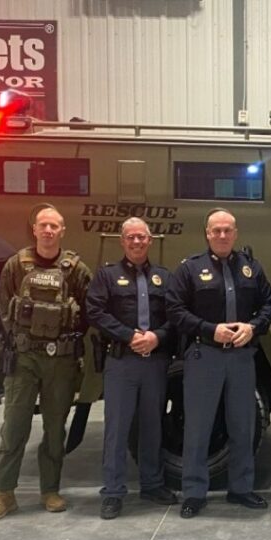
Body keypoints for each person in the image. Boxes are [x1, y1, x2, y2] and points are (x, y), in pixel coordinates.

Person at [0, 204, 92, 521]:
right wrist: (23, 341)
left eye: (54, 226)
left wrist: (65, 341)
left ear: (62, 230)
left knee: (55, 428)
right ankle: (4, 494)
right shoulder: (16, 266)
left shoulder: (75, 269)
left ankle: (51, 490)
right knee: (15, 426)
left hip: (61, 361)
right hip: (24, 359)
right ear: (34, 229)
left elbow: (87, 310)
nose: (48, 230)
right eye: (43, 225)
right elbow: (4, 308)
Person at [166, 208, 271, 519]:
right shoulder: (190, 269)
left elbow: (269, 303)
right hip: (205, 356)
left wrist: (253, 327)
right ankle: (194, 493)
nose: (223, 235)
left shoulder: (251, 268)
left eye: (228, 230)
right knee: (198, 429)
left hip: (241, 358)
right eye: (216, 230)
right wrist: (208, 329)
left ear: (236, 232)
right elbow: (175, 309)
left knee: (243, 426)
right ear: (207, 233)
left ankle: (241, 488)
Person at [85, 218, 178, 520]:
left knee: (152, 425)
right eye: (131, 238)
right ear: (122, 241)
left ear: (150, 240)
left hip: (155, 360)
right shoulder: (107, 275)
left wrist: (157, 336)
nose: (137, 242)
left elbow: (175, 315)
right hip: (122, 361)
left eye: (142, 237)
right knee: (117, 428)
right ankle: (113, 492)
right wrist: (129, 335)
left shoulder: (165, 277)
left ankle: (152, 484)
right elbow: (94, 311)